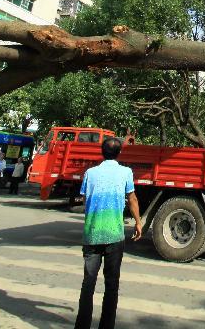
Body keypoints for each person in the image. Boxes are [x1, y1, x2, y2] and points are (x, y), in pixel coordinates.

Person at [74, 137, 141, 329]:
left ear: (101, 152)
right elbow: (132, 198)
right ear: (119, 153)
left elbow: (86, 199)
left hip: (91, 234)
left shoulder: (90, 173)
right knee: (111, 284)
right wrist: (138, 222)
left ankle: (82, 325)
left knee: (88, 283)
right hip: (114, 235)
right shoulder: (126, 172)